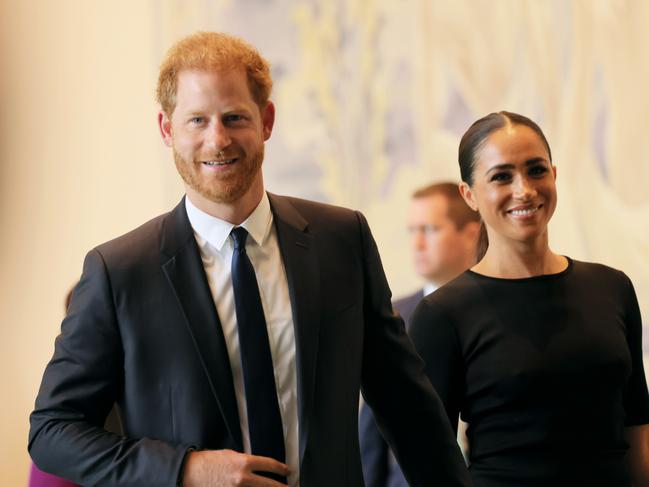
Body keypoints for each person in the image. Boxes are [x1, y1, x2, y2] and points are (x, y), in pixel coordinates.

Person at [28, 32, 471, 487]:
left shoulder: (342, 239)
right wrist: (184, 469)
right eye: (196, 120)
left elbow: (407, 404)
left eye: (234, 117)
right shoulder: (119, 271)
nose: (217, 140)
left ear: (267, 121)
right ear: (167, 130)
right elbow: (52, 430)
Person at [408, 111, 649, 486]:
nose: (524, 189)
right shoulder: (443, 314)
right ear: (469, 195)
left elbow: (636, 425)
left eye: (535, 170)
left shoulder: (612, 287)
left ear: (554, 175)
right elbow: (428, 458)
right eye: (502, 176)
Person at [359, 182, 479, 487]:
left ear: (471, 233)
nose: (418, 243)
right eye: (412, 231)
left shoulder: (503, 312)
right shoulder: (391, 315)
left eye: (430, 229)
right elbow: (374, 432)